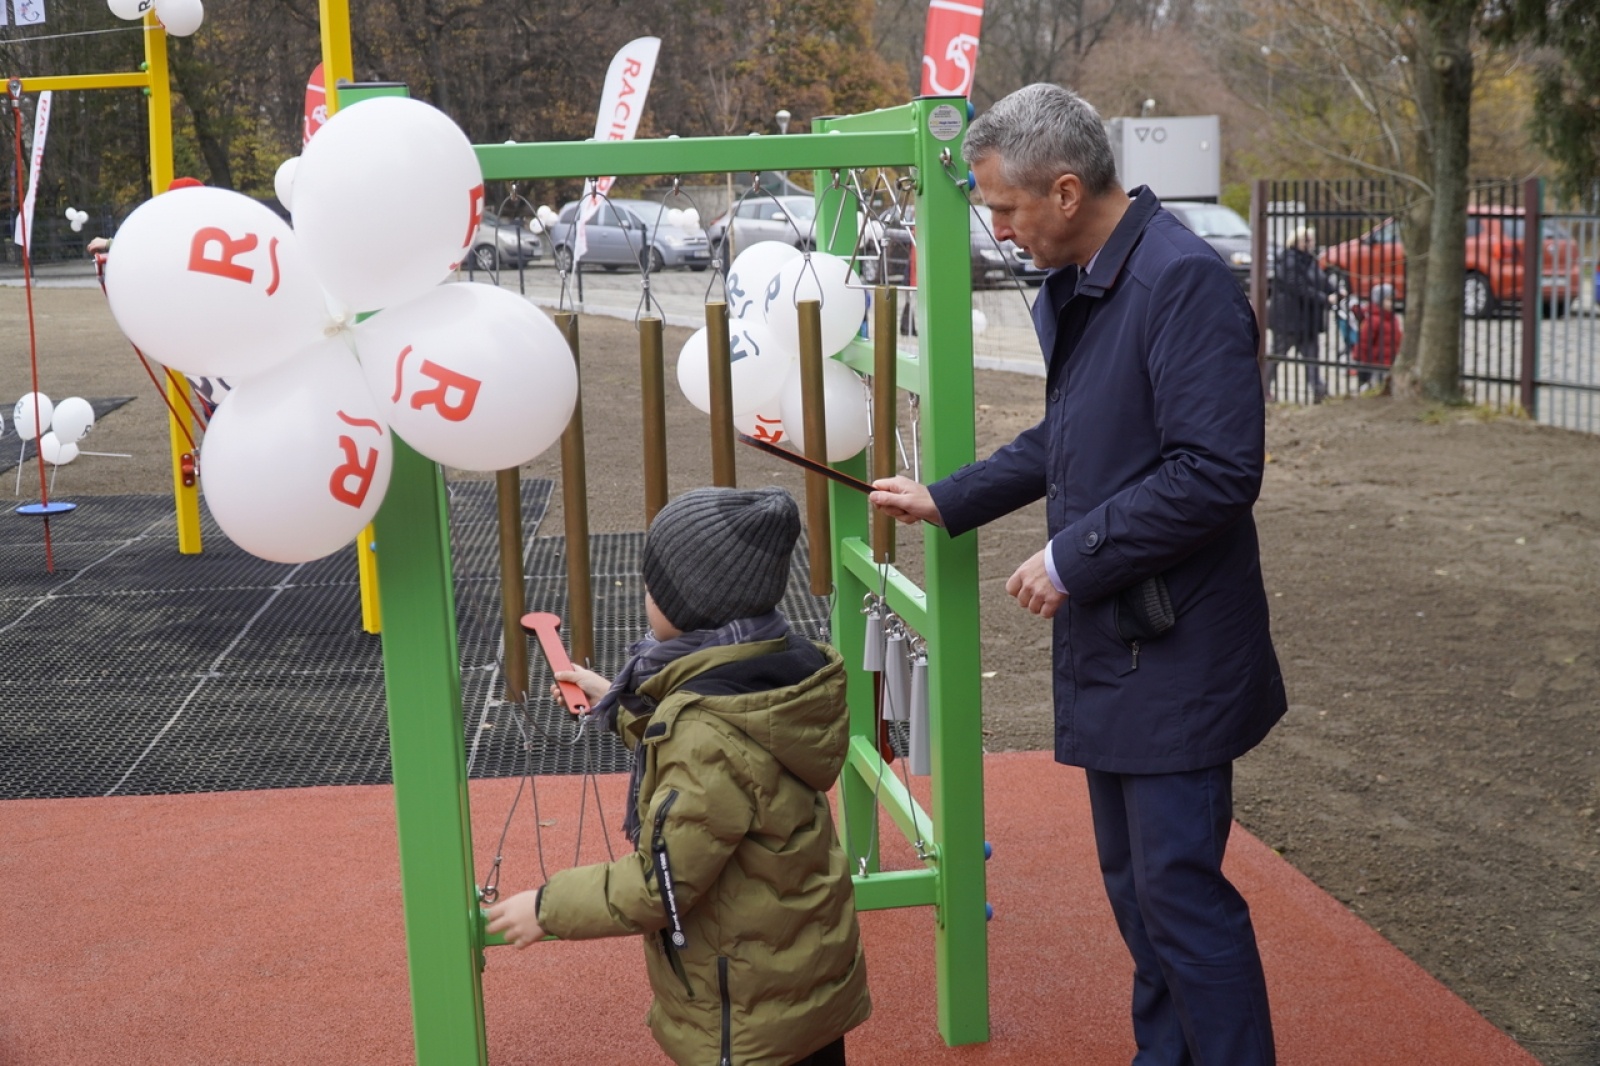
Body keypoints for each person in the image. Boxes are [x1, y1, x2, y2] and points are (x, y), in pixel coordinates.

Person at [869, 83, 1284, 1065]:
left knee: (1179, 893)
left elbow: (1216, 471)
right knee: (1139, 891)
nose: (999, 230)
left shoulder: (1176, 281)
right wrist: (950, 496)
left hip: (1174, 646)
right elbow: (1074, 434)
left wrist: (1070, 555)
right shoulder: (1099, 276)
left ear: (1064, 192)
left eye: (1005, 209)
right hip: (1125, 641)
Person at [485, 486, 870, 1066]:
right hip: (800, 972)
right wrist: (619, 704)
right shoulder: (772, 672)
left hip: (745, 1008)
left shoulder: (703, 731)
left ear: (690, 605)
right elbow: (724, 765)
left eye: (654, 586)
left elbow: (658, 884)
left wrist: (546, 906)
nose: (645, 596)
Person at [1268, 225, 1341, 402]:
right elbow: (1298, 287)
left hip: (1307, 320)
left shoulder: (1309, 260)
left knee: (1311, 356)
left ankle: (1318, 391)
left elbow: (1320, 280)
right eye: (1306, 240)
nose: (1310, 243)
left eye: (1311, 240)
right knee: (1277, 354)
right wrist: (1326, 299)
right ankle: (1261, 389)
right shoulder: (1289, 261)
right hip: (1289, 319)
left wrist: (1334, 291)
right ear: (1296, 241)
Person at [1350, 282, 1401, 391]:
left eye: (1393, 300)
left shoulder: (1393, 319)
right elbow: (1364, 341)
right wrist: (1359, 359)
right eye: (1388, 300)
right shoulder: (1374, 320)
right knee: (1376, 386)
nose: (1392, 303)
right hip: (1376, 362)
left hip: (1390, 361)